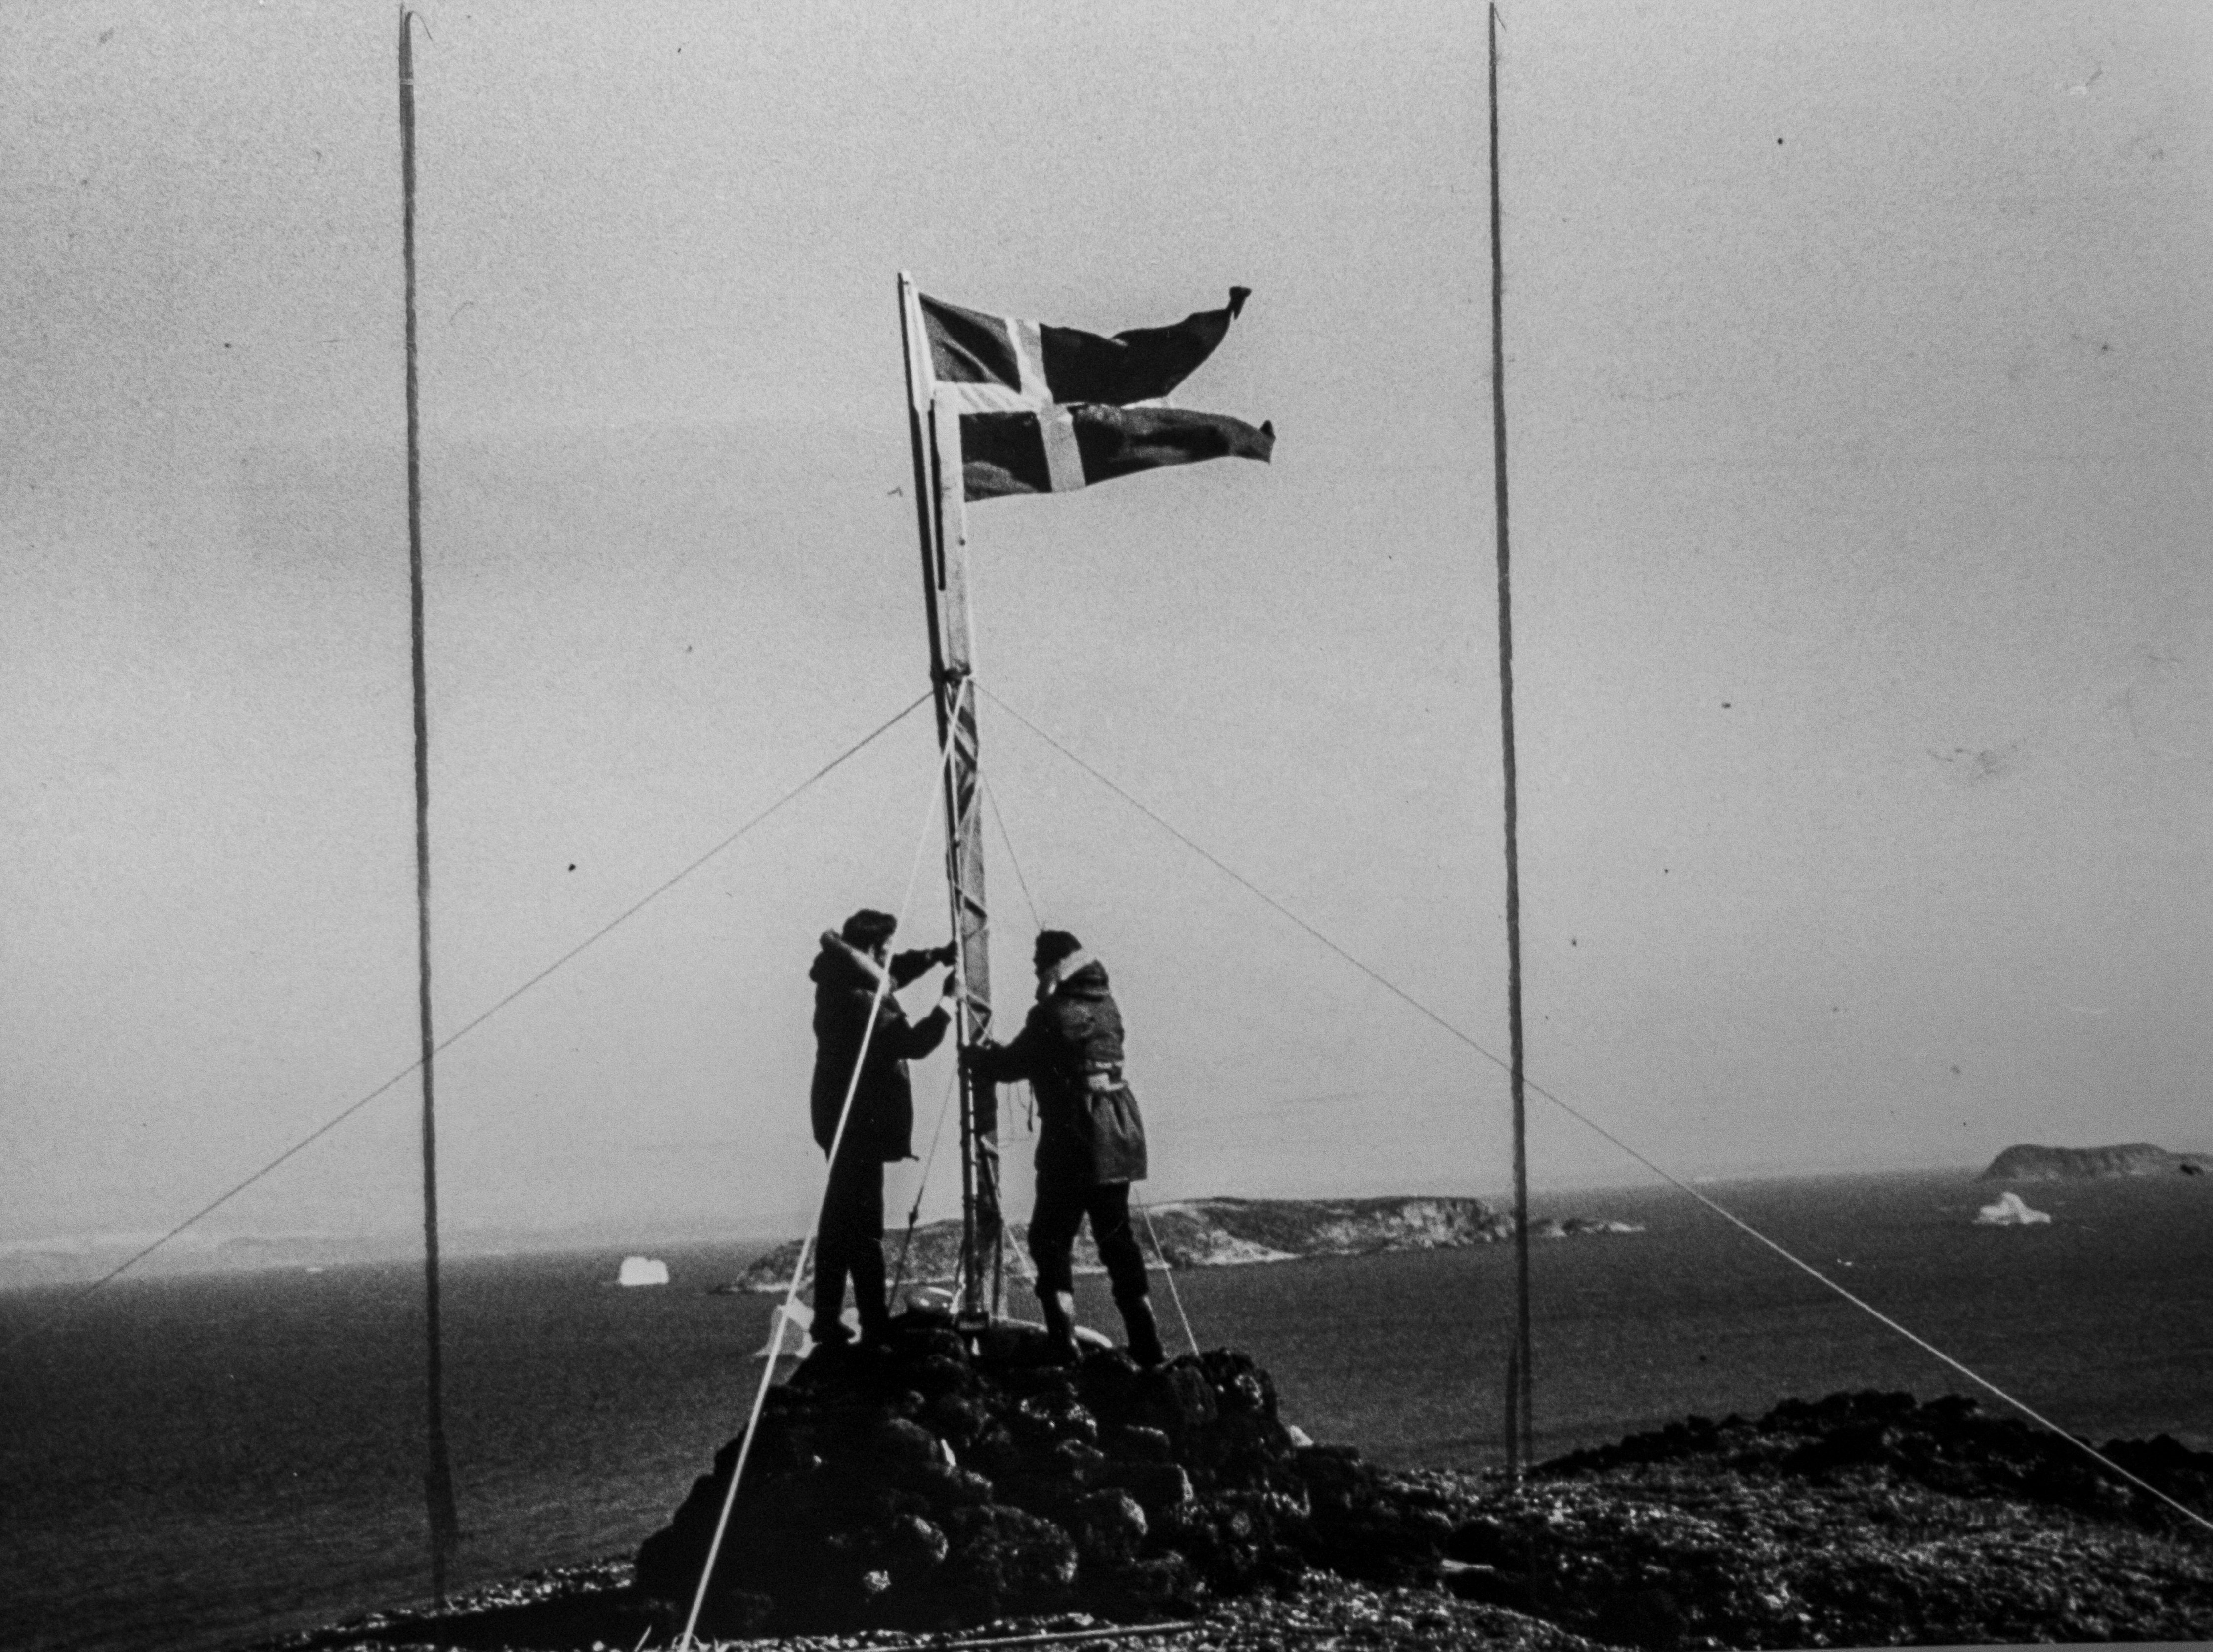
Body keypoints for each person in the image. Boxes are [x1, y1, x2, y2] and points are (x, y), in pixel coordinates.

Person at [967, 930, 1164, 1366]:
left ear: (1051, 968)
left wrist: (978, 1059)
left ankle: (1063, 1342)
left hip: (1074, 1135)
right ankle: (1147, 1342)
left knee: (1050, 1238)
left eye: (1039, 966)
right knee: (1117, 1239)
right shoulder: (1107, 1006)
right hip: (1120, 1131)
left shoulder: (1051, 1014)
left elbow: (1012, 1063)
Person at [808, 908, 957, 1347]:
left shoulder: (840, 980)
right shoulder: (860, 1000)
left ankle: (829, 1319)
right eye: (887, 947)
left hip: (840, 1119)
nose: (892, 955)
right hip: (858, 1126)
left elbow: (892, 971)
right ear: (872, 950)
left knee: (840, 1224)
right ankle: (871, 1322)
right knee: (862, 1226)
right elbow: (913, 1043)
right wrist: (947, 1002)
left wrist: (932, 956)